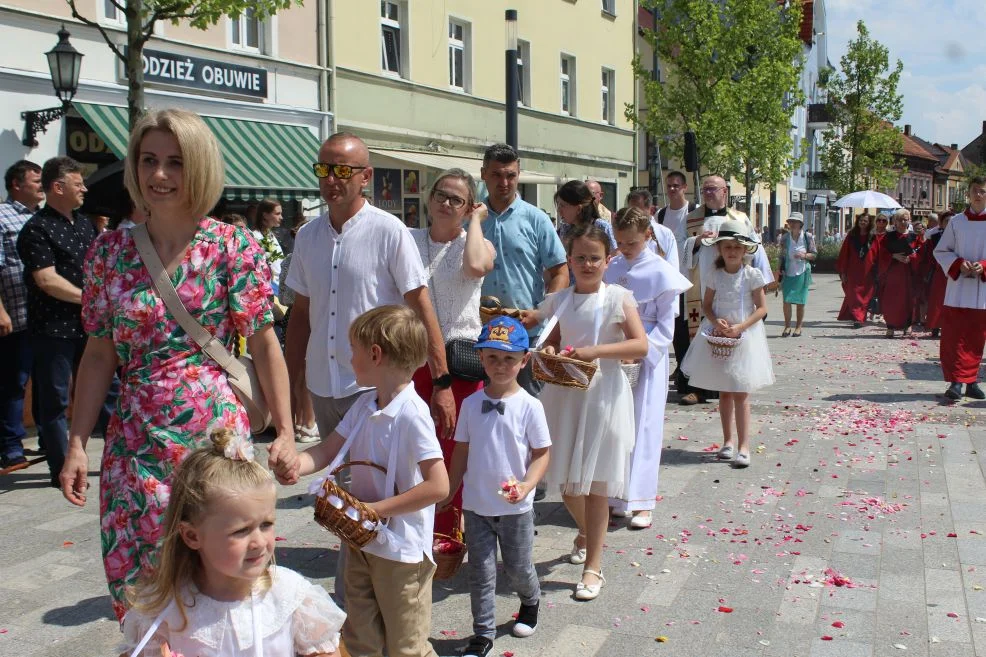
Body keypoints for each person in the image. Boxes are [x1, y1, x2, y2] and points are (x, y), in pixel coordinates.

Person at [62, 109, 298, 622]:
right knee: (141, 578)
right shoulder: (109, 253)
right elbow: (99, 354)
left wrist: (283, 430)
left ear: (200, 169)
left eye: (176, 162)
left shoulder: (231, 246)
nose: (160, 175)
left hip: (211, 438)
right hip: (134, 442)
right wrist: (78, 443)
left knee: (224, 576)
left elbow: (264, 344)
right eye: (149, 160)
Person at [281, 306, 449, 657]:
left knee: (407, 647)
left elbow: (438, 486)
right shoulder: (364, 404)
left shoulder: (413, 415)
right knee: (360, 640)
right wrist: (297, 462)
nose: (349, 357)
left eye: (353, 349)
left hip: (402, 553)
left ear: (375, 354)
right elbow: (328, 449)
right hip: (362, 542)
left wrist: (375, 510)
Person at [285, 132, 454, 444]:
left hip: (374, 385)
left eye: (342, 170)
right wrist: (288, 386)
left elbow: (421, 306)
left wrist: (441, 381)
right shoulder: (307, 236)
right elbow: (300, 315)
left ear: (366, 177)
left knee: (375, 485)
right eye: (323, 169)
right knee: (339, 480)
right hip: (322, 385)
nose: (331, 179)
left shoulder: (389, 231)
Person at [121, 429, 346, 657]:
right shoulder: (168, 611)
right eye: (241, 531)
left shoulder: (290, 598)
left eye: (266, 524)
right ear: (192, 536)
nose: (258, 541)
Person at [527, 224, 648, 600]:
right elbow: (550, 340)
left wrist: (595, 351)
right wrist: (547, 352)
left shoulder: (617, 297)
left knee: (595, 485)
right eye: (580, 257)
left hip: (603, 396)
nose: (587, 264)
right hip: (565, 395)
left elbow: (640, 345)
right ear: (569, 259)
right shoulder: (560, 300)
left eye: (595, 257)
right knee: (565, 484)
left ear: (607, 260)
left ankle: (593, 566)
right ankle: (585, 531)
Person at [442, 316, 551, 657]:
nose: (500, 365)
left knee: (519, 567)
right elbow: (461, 450)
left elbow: (542, 453)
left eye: (508, 358)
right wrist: (450, 492)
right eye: (492, 358)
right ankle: (482, 633)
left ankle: (530, 601)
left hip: (515, 507)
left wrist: (528, 483)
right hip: (477, 505)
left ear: (524, 361)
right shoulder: (472, 404)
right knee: (480, 571)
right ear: (481, 359)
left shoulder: (530, 406)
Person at [15, 156, 116, 488]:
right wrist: (92, 299)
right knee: (56, 400)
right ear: (57, 188)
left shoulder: (85, 224)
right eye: (78, 183)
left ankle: (122, 457)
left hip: (90, 327)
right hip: (53, 328)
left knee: (107, 391)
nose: (84, 188)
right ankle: (62, 469)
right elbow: (47, 280)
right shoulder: (36, 229)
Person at [410, 168, 495, 536]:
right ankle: (416, 531)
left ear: (468, 207)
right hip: (414, 360)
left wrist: (475, 220)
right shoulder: (408, 239)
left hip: (459, 365)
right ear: (429, 198)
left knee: (454, 454)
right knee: (415, 452)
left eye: (457, 199)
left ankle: (446, 535)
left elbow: (476, 266)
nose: (446, 203)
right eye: (441, 195)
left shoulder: (475, 245)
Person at [604, 207, 691, 529]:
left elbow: (666, 327)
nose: (625, 249)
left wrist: (639, 350)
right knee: (614, 426)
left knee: (643, 426)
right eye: (621, 242)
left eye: (632, 244)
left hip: (646, 356)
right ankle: (614, 495)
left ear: (648, 236)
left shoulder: (661, 272)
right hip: (615, 352)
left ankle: (641, 500)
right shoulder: (611, 267)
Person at [681, 220, 774, 468]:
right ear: (720, 250)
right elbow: (707, 305)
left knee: (741, 392)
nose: (731, 251)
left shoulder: (752, 275)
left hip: (745, 337)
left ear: (744, 251)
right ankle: (727, 441)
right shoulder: (714, 275)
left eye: (736, 247)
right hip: (720, 337)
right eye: (727, 247)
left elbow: (762, 307)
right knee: (724, 392)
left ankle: (744, 445)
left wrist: (742, 326)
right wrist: (715, 321)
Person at [480, 143, 568, 398]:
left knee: (530, 411)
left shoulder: (536, 219)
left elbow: (560, 272)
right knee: (485, 411)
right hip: (482, 335)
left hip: (526, 334)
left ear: (518, 175)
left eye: (511, 175)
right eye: (496, 174)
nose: (504, 182)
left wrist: (541, 313)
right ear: (484, 173)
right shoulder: (472, 218)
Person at [678, 175, 773, 405]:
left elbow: (755, 248)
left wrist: (765, 280)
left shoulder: (739, 217)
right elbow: (680, 246)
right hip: (703, 285)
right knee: (704, 336)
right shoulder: (691, 218)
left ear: (725, 192)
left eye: (713, 189)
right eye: (705, 189)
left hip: (735, 284)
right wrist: (697, 241)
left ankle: (731, 383)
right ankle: (698, 388)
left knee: (733, 335)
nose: (708, 193)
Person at [0, 160, 44, 469]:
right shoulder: (2, 217)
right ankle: (11, 446)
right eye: (36, 180)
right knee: (13, 383)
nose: (41, 185)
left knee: (45, 380)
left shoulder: (43, 218)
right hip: (13, 315)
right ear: (16, 184)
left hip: (42, 317)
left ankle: (49, 437)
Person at [934, 177, 986, 401]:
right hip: (957, 289)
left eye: (983, 191)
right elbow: (941, 251)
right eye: (975, 191)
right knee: (954, 337)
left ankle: (971, 381)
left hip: (982, 291)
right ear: (968, 194)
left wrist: (983, 266)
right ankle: (955, 382)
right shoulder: (956, 222)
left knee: (976, 337)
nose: (979, 195)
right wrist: (958, 263)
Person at [876, 210, 920, 338]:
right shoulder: (888, 236)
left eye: (905, 219)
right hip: (893, 273)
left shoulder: (914, 236)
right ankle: (890, 326)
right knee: (892, 299)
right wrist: (893, 256)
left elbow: (920, 254)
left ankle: (907, 325)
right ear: (895, 221)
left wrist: (911, 258)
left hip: (908, 273)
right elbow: (881, 253)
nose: (902, 222)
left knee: (908, 299)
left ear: (909, 221)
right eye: (900, 219)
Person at [778, 212, 817, 337]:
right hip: (788, 272)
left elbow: (814, 254)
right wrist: (779, 268)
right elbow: (782, 255)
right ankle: (787, 327)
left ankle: (798, 327)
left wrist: (804, 255)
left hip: (802, 272)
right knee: (786, 301)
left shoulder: (807, 237)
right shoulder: (785, 238)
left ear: (800, 224)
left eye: (795, 222)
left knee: (800, 302)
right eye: (791, 222)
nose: (793, 224)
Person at [555, 180, 617, 256]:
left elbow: (616, 258)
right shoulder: (565, 229)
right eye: (558, 205)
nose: (558, 210)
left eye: (563, 205)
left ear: (578, 209)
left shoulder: (602, 227)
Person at [836, 212, 875, 328]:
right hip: (852, 270)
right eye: (861, 220)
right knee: (853, 294)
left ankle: (859, 317)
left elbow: (877, 253)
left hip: (867, 271)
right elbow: (844, 254)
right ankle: (858, 317)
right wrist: (843, 271)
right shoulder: (852, 236)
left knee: (864, 295)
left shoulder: (872, 237)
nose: (862, 222)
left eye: (865, 221)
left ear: (869, 223)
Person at [625, 189, 679, 271]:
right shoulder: (623, 233)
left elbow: (673, 268)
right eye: (631, 210)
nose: (634, 214)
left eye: (638, 210)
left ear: (650, 209)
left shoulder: (665, 234)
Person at [922, 211, 953, 338]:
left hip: (955, 271)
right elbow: (927, 240)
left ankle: (950, 326)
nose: (950, 223)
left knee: (952, 300)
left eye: (952, 221)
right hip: (940, 271)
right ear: (942, 223)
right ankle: (935, 325)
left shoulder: (961, 236)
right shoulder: (936, 236)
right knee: (937, 300)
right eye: (947, 221)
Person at [252, 198, 286, 295]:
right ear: (265, 215)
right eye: (277, 214)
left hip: (278, 288)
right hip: (267, 290)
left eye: (281, 213)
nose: (281, 217)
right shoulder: (255, 236)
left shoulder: (270, 235)